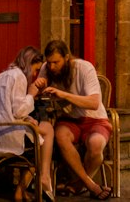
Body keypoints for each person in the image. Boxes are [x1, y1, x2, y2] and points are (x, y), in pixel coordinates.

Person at [41, 38, 114, 200]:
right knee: (60, 135)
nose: (52, 67)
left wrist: (63, 94)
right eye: (49, 62)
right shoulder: (47, 69)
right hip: (70, 120)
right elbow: (40, 93)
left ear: (67, 57)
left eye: (56, 62)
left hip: (95, 119)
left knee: (95, 145)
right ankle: (90, 184)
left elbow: (94, 103)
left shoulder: (84, 68)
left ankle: (78, 184)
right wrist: (39, 87)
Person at [0, 46, 56, 202]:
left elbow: (5, 109)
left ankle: (31, 186)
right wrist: (31, 94)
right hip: (8, 136)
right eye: (35, 69)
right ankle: (33, 183)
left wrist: (26, 119)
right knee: (43, 139)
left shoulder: (2, 76)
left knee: (40, 130)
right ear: (28, 63)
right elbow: (18, 110)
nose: (34, 74)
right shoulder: (19, 77)